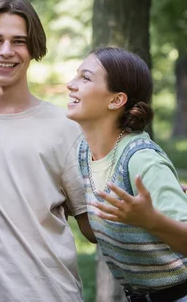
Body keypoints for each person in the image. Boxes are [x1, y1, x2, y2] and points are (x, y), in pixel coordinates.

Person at [0, 0, 95, 301]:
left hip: (54, 294)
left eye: (18, 41)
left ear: (32, 49)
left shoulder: (66, 130)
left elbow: (93, 228)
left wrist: (149, 207)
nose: (5, 51)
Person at [66, 47, 187, 301]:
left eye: (85, 78)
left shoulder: (142, 159)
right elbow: (95, 234)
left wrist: (150, 219)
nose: (70, 85)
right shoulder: (85, 153)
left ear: (116, 100)